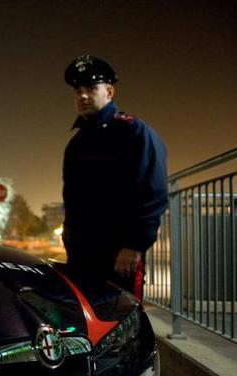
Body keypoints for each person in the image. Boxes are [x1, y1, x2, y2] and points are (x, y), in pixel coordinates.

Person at [62, 55, 168, 299]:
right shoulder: (76, 144)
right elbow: (71, 197)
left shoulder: (134, 132)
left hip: (119, 253)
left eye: (91, 89)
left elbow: (153, 192)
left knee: (122, 321)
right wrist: (70, 238)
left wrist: (134, 245)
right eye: (78, 91)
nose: (83, 96)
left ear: (109, 92)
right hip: (81, 254)